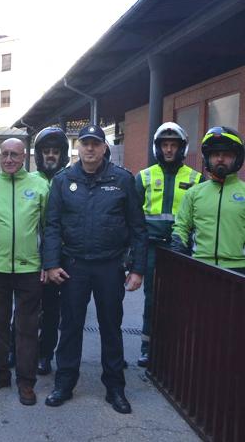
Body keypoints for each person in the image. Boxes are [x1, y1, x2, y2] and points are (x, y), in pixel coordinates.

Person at [43, 124, 147, 414]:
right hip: (73, 265)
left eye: (95, 144)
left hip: (109, 266)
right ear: (79, 148)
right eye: (85, 144)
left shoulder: (123, 180)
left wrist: (137, 269)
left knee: (111, 328)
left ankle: (115, 388)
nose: (90, 149)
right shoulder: (63, 181)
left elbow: (138, 229)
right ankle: (64, 383)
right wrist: (51, 263)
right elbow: (51, 226)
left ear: (104, 148)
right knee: (71, 326)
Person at [0, 138, 50, 405]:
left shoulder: (39, 185)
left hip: (30, 269)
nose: (9, 159)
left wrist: (47, 263)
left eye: (14, 154)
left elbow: (49, 229)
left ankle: (26, 382)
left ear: (24, 156)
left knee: (27, 327)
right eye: (4, 154)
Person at [135, 122, 202, 367]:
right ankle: (147, 347)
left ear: (182, 148)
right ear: (158, 147)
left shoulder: (197, 179)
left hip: (181, 250)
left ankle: (175, 348)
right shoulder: (143, 177)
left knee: (181, 300)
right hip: (152, 248)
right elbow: (133, 220)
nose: (169, 150)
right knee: (152, 298)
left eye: (174, 145)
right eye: (165, 145)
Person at [171, 126, 245, 274]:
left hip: (239, 270)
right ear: (207, 158)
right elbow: (181, 228)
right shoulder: (194, 193)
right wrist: (176, 257)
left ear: (237, 157)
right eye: (215, 154)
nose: (220, 159)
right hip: (200, 267)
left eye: (226, 154)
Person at [28, 126, 70, 375]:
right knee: (26, 308)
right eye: (46, 151)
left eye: (55, 151)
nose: (51, 155)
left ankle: (45, 354)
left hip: (59, 257)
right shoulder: (29, 180)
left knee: (53, 310)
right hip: (30, 256)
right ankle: (17, 348)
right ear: (39, 155)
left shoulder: (69, 180)